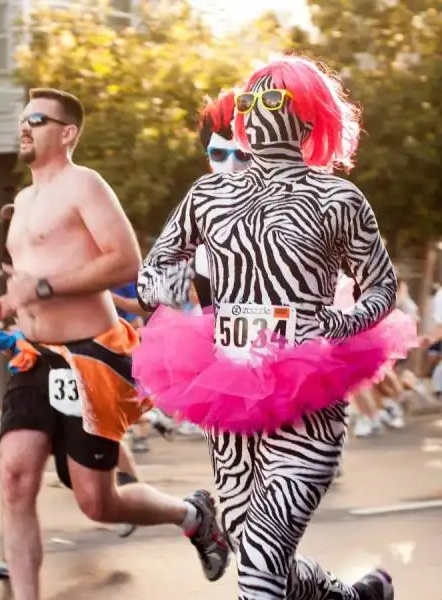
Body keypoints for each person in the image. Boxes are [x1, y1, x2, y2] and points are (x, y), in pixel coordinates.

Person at [135, 56, 396, 600]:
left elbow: (381, 287)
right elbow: (152, 273)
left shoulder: (337, 198)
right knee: (258, 553)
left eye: (275, 100)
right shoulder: (209, 195)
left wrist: (341, 321)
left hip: (306, 401)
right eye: (251, 99)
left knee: (260, 559)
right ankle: (351, 598)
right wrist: (194, 301)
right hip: (228, 398)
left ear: (308, 119)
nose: (256, 111)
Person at [0, 87, 229, 600]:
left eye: (38, 120)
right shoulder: (22, 202)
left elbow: (125, 262)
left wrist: (41, 288)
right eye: (23, 120)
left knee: (97, 501)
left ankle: (192, 515)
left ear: (66, 133)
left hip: (91, 356)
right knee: (15, 478)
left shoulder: (84, 184)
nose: (25, 127)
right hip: (33, 355)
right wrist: (4, 304)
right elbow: (32, 277)